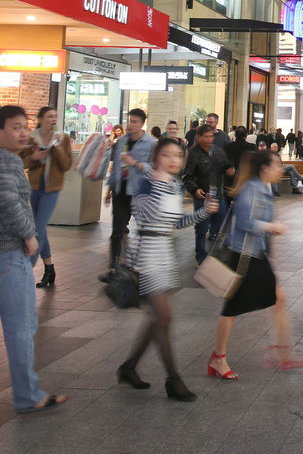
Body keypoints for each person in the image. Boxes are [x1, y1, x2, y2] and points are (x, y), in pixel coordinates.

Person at [118, 138, 218, 401]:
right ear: (156, 157)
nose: (173, 160)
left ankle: (128, 367)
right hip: (146, 253)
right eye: (167, 155)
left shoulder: (174, 185)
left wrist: (204, 213)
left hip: (164, 253)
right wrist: (156, 182)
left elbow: (176, 222)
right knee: (163, 318)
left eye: (178, 155)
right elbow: (143, 215)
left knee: (156, 318)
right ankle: (173, 380)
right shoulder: (148, 182)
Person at [0, 105, 69, 414]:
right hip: (7, 255)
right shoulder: (6, 162)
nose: (23, 133)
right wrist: (29, 234)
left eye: (25, 127)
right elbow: (7, 202)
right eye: (16, 127)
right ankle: (27, 395)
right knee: (20, 326)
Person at [209, 150, 303, 379]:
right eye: (277, 165)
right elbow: (245, 222)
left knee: (278, 300)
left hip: (255, 255)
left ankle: (281, 353)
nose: (281, 169)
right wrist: (270, 227)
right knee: (231, 309)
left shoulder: (263, 188)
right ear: (264, 168)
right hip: (244, 257)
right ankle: (219, 358)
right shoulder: (252, 189)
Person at [21, 106, 72, 288]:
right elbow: (21, 161)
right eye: (49, 116)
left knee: (38, 228)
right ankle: (49, 267)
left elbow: (66, 165)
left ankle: (26, 269)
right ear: (40, 119)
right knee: (40, 229)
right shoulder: (31, 137)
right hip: (35, 186)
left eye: (55, 116)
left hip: (53, 188)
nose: (53, 119)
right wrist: (34, 157)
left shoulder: (62, 138)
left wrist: (57, 147)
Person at [103, 109, 156, 274]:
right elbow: (116, 168)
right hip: (121, 191)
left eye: (135, 122)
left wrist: (135, 163)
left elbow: (154, 169)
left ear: (142, 124)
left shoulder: (151, 143)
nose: (131, 124)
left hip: (140, 193)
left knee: (144, 233)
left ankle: (142, 269)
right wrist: (109, 190)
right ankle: (114, 267)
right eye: (130, 121)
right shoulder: (121, 141)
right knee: (117, 231)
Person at [182, 124, 234, 264]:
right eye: (206, 136)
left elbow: (225, 166)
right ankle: (201, 258)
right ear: (199, 137)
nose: (209, 139)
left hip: (218, 195)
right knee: (201, 229)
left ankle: (215, 257)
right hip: (202, 196)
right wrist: (194, 189)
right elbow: (187, 176)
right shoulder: (194, 154)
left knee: (220, 228)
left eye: (211, 136)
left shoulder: (218, 151)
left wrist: (229, 169)